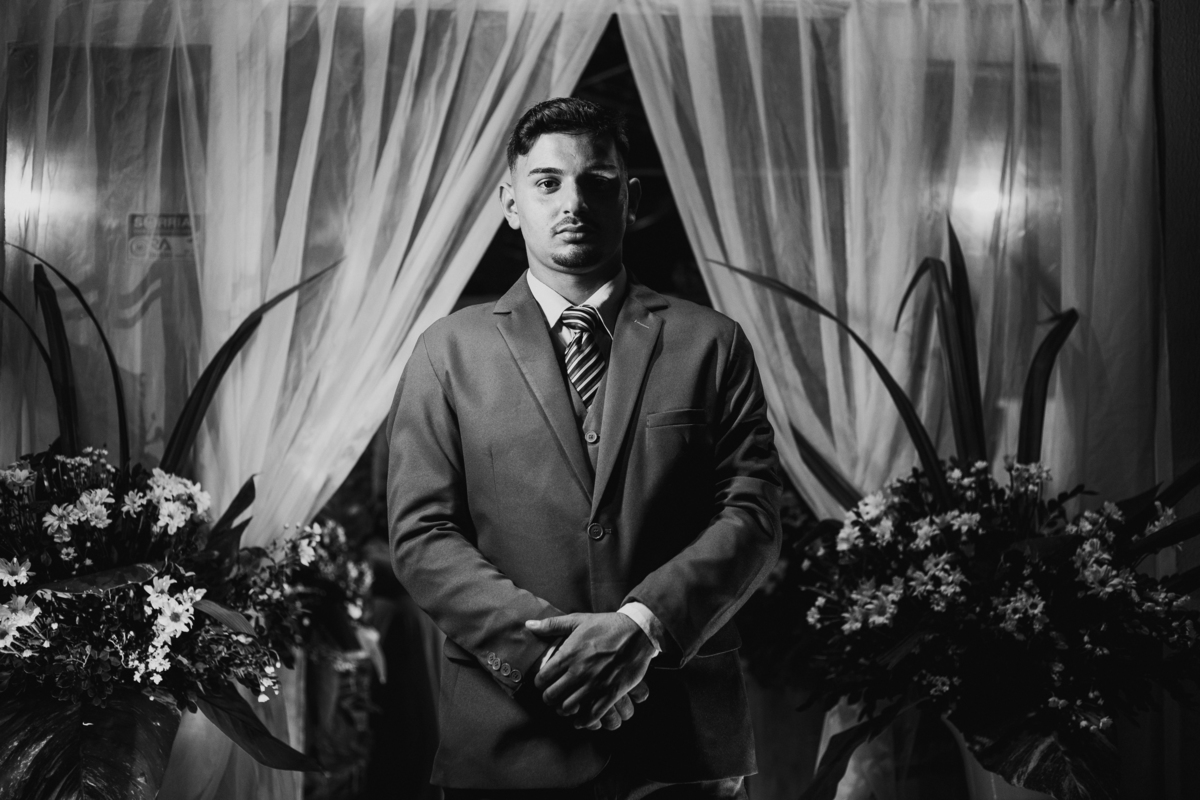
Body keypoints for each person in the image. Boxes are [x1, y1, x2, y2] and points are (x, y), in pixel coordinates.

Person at [386, 97, 781, 799]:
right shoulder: (446, 352)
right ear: (511, 204)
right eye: (547, 182)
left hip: (683, 742)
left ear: (631, 199)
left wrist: (641, 628)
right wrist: (552, 660)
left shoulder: (712, 343)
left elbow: (751, 516)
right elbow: (422, 536)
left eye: (597, 182)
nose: (573, 202)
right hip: (511, 740)